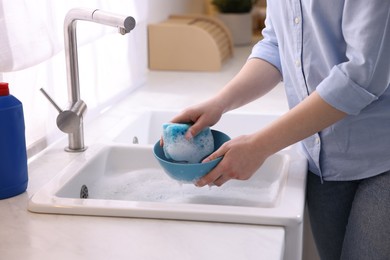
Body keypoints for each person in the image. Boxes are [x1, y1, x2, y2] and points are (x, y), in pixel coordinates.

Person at [167, 1, 390, 259]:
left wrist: (260, 146)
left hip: (381, 158)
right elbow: (276, 45)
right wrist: (220, 103)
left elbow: (362, 75)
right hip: (321, 162)